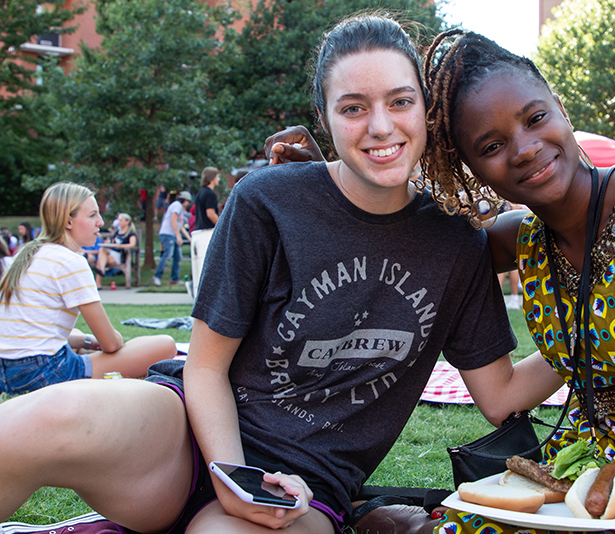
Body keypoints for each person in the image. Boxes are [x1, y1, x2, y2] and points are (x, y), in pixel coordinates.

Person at [0, 15, 554, 534]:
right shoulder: (269, 199)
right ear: (325, 117)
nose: (381, 126)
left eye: (400, 101)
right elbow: (207, 367)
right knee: (38, 422)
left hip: (305, 486)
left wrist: (593, 323)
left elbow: (502, 396)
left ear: (425, 110)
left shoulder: (456, 243)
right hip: (187, 436)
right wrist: (230, 473)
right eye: (354, 107)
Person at [266, 26, 615, 534]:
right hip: (600, 476)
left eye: (536, 117)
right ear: (472, 168)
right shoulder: (518, 241)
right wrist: (329, 184)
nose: (523, 148)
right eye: (491, 146)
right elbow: (405, 236)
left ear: (560, 109)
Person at [0, 182, 176, 395]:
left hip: (6, 372)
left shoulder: (23, 255)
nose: (100, 222)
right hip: (44, 372)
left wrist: (86, 341)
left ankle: (81, 345)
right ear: (68, 221)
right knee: (165, 345)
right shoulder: (70, 261)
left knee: (76, 334)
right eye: (92, 215)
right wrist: (114, 341)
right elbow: (110, 343)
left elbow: (27, 328)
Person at [190, 166, 220, 296]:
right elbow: (210, 213)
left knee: (199, 269)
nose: (219, 179)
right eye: (217, 176)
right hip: (207, 234)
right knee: (207, 268)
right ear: (212, 178)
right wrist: (222, 225)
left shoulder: (200, 193)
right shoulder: (210, 194)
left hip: (198, 233)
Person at [151, 190, 192, 287]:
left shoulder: (180, 209)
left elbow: (180, 226)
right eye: (188, 202)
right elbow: (173, 220)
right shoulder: (176, 205)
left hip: (173, 234)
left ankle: (174, 278)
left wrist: (190, 239)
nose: (188, 204)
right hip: (168, 234)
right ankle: (157, 277)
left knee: (178, 257)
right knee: (167, 255)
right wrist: (178, 236)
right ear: (185, 200)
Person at [93, 213, 138, 289]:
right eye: (118, 220)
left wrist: (120, 246)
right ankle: (102, 271)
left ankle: (100, 276)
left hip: (121, 255)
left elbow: (132, 245)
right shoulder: (117, 232)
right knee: (102, 250)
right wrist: (109, 244)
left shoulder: (130, 233)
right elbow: (113, 243)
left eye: (121, 220)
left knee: (100, 260)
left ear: (127, 222)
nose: (119, 222)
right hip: (111, 254)